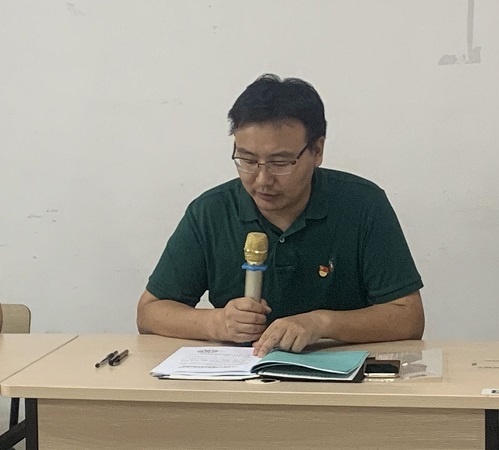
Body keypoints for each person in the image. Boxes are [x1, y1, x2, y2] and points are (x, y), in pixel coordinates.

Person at [137, 74, 424, 357]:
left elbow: (408, 318)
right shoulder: (210, 212)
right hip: (242, 375)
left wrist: (322, 323)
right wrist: (217, 322)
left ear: (317, 150)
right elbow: (150, 312)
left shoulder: (362, 204)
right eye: (247, 160)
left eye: (280, 162)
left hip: (336, 378)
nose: (262, 180)